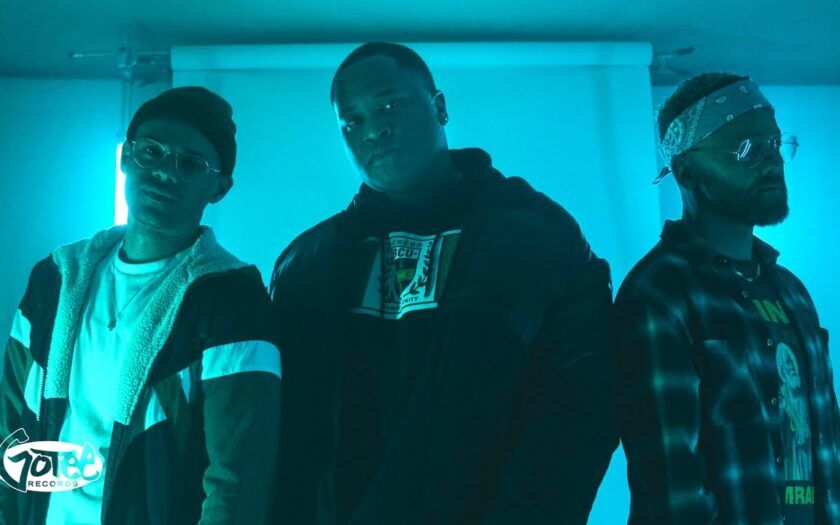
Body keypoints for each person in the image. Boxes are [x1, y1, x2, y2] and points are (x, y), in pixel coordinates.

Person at [271, 42, 615, 524]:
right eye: (352, 121)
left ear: (440, 107)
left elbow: (585, 404)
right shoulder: (304, 266)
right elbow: (288, 433)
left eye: (389, 105)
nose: (373, 129)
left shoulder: (538, 235)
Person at [0, 87, 282, 525]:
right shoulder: (54, 278)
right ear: (126, 158)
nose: (165, 172)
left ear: (220, 188)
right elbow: (9, 425)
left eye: (191, 164)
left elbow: (236, 477)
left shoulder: (233, 298)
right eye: (152, 151)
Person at [615, 73, 840, 524]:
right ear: (687, 172)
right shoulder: (660, 293)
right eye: (748, 150)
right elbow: (673, 488)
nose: (772, 162)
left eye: (775, 144)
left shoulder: (792, 292)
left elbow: (826, 444)